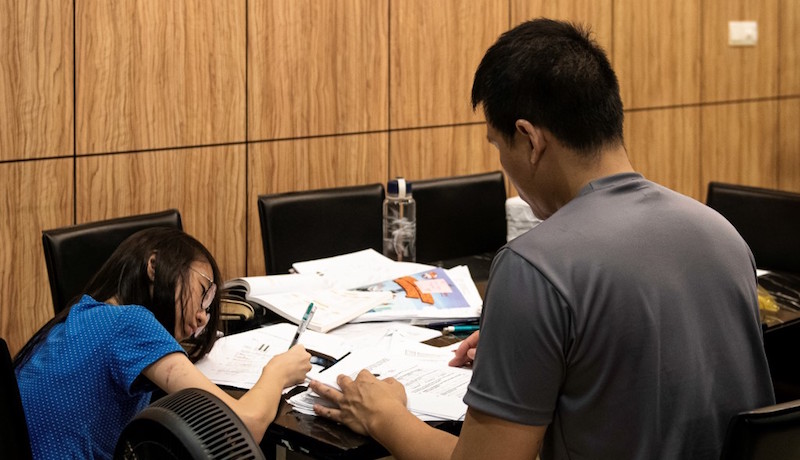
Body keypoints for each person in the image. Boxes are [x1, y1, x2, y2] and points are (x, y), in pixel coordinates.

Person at [308, 18, 775, 459]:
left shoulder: (535, 265)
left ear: (530, 140)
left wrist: (383, 415)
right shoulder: (722, 233)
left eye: (497, 145)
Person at [14, 227, 311, 459]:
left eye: (209, 308)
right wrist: (278, 372)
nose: (202, 317)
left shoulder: (84, 317)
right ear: (154, 265)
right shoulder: (131, 323)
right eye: (204, 293)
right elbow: (241, 429)